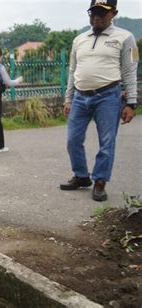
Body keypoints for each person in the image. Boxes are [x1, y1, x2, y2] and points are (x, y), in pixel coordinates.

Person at [60, 0, 137, 202]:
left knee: (107, 142)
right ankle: (81, 176)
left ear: (114, 14)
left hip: (108, 97)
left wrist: (131, 103)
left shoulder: (125, 38)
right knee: (72, 140)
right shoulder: (79, 40)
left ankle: (100, 181)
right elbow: (72, 71)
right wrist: (68, 98)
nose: (96, 18)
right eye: (93, 13)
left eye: (102, 14)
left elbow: (130, 71)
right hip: (79, 96)